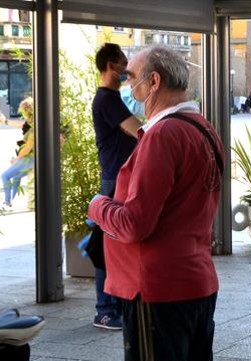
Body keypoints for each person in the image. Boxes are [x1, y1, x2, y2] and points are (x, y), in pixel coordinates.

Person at [87, 44, 222, 361]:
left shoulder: (162, 136)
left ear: (154, 82)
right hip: (195, 281)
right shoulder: (203, 128)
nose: (128, 85)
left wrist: (98, 205)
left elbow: (134, 224)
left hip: (156, 289)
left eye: (131, 77)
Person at [90, 43, 143, 331]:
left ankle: (112, 306)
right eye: (125, 62)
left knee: (113, 242)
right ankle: (105, 309)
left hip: (118, 175)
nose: (128, 68)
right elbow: (138, 130)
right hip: (114, 178)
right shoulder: (107, 100)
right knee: (108, 243)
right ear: (112, 64)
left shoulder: (112, 97)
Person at [0, 97, 35, 208]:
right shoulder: (32, 123)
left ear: (26, 111)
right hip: (32, 159)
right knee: (16, 177)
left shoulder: (32, 127)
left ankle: (7, 201)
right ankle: (11, 202)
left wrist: (16, 159)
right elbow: (17, 124)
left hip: (29, 159)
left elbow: (28, 148)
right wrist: (4, 120)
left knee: (5, 175)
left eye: (23, 111)